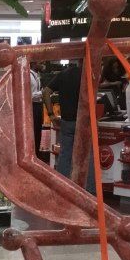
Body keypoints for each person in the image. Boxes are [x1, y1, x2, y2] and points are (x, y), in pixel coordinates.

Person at [42, 60, 96, 192]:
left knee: (65, 155)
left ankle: (62, 188)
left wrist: (51, 115)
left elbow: (46, 92)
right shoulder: (89, 76)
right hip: (84, 121)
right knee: (87, 156)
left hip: (66, 121)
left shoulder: (63, 74)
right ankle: (89, 191)